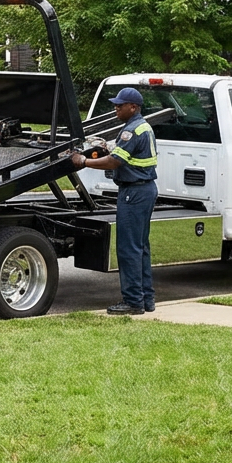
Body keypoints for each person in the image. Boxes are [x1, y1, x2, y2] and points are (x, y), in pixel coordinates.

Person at [69, 87, 158, 315]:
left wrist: (83, 161)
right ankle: (145, 299)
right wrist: (107, 146)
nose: (116, 107)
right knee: (140, 248)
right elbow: (124, 153)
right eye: (116, 104)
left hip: (133, 193)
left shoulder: (132, 130)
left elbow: (114, 162)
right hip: (144, 190)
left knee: (128, 248)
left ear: (133, 107)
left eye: (121, 104)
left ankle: (132, 302)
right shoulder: (139, 126)